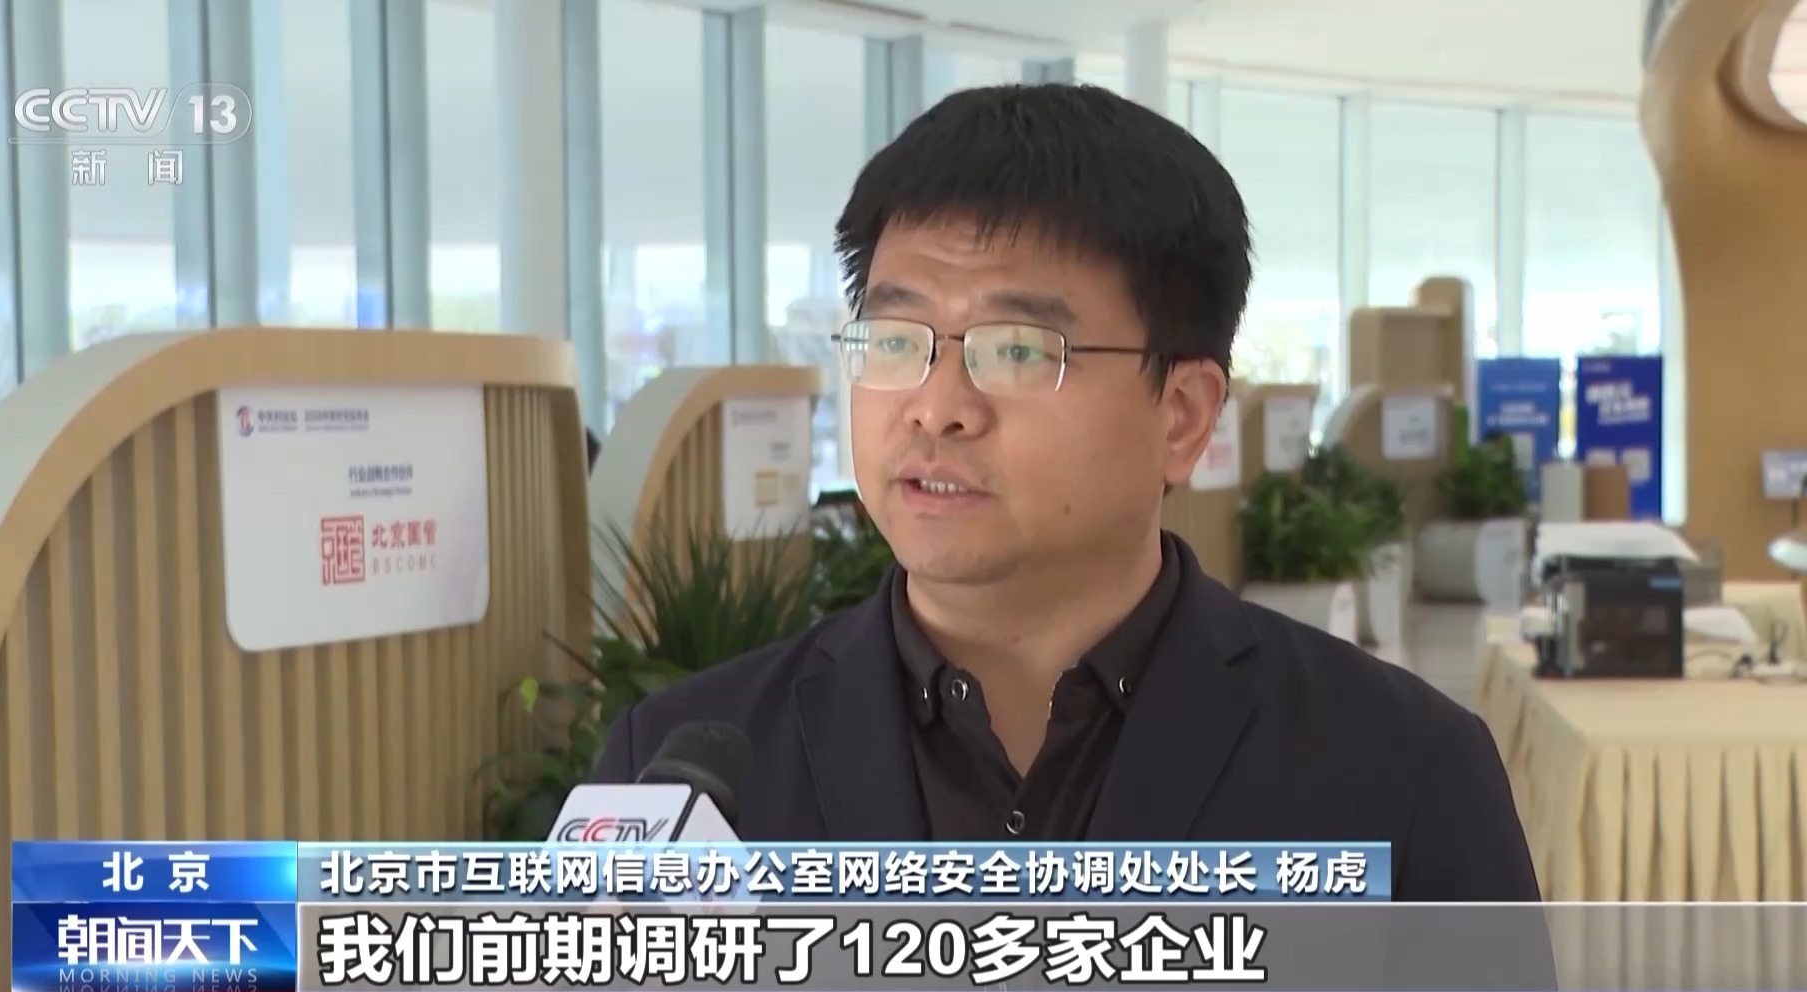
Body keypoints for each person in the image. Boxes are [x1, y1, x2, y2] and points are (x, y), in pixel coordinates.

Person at [592, 84, 1542, 908]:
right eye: (896, 343)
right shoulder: (672, 777)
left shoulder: (1403, 772)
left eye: (1016, 350)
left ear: (1182, 415)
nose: (937, 407)